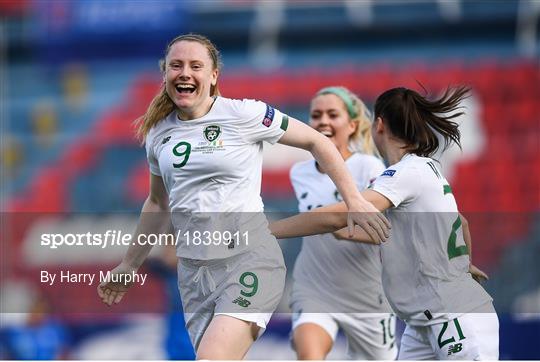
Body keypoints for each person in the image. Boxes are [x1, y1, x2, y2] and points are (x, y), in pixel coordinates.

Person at [96, 33, 390, 360]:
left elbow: (316, 143)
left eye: (196, 65)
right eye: (176, 65)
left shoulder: (244, 115)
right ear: (165, 74)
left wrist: (355, 201)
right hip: (194, 277)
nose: (185, 73)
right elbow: (157, 203)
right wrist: (129, 263)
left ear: (213, 76)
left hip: (248, 261)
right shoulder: (158, 134)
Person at [270, 86, 498, 360]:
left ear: (378, 124)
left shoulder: (404, 173)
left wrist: (266, 231)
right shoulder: (426, 168)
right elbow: (461, 222)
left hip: (453, 315)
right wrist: (464, 263)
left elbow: (339, 216)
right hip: (421, 322)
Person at [289, 86, 397, 360]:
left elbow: (384, 234)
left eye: (332, 114)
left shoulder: (369, 167)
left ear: (351, 125)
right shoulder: (299, 172)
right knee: (308, 356)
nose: (322, 121)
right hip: (314, 287)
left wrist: (337, 228)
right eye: (316, 115)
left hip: (366, 295)